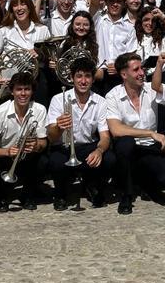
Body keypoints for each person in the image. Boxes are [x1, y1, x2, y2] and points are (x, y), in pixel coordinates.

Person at [106, 53, 165, 214]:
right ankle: (126, 194)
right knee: (126, 143)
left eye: (142, 68)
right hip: (128, 150)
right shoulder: (113, 96)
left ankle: (145, 182)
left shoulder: (151, 89)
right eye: (136, 70)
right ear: (124, 75)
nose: (142, 73)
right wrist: (150, 133)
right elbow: (116, 129)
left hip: (149, 149)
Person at [46, 58, 117, 210]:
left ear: (92, 79)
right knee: (55, 161)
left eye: (87, 76)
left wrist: (99, 150)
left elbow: (105, 137)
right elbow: (51, 137)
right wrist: (59, 126)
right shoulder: (59, 99)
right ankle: (60, 193)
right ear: (72, 78)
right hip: (64, 147)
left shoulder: (100, 102)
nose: (83, 81)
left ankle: (92, 185)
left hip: (87, 146)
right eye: (79, 76)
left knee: (109, 158)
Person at [0, 71, 48, 211]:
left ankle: (27, 195)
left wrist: (36, 146)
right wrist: (7, 152)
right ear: (12, 91)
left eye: (27, 89)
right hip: (4, 155)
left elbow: (43, 142)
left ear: (32, 91)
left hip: (27, 156)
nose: (23, 93)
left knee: (43, 161)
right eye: (19, 89)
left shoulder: (39, 110)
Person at [0, 0, 51, 103]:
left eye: (23, 4)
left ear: (30, 7)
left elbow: (49, 58)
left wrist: (40, 54)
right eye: (15, 5)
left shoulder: (42, 30)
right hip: (11, 81)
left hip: (37, 82)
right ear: (12, 10)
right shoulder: (4, 31)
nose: (19, 8)